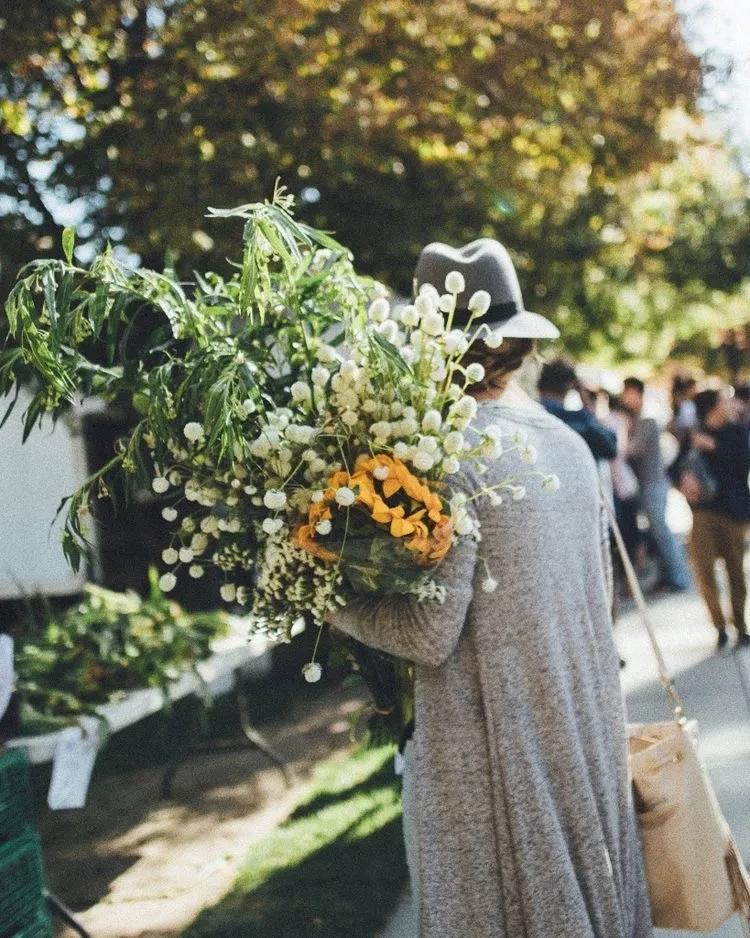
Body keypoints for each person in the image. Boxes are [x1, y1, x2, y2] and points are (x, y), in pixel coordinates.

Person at [331, 240, 650, 937]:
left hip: (493, 749)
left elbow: (428, 634)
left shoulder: (447, 455)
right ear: (518, 344)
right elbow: (601, 601)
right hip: (579, 727)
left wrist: (332, 598)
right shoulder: (565, 444)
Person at [685, 389, 750, 649]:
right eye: (724, 400)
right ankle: (719, 626)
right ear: (713, 406)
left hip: (732, 511)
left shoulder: (736, 432)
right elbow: (676, 465)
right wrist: (683, 479)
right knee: (704, 571)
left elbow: (742, 463)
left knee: (736, 571)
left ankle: (741, 626)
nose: (729, 404)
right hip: (702, 511)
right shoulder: (694, 434)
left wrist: (713, 446)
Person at [620, 377, 692, 592]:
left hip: (653, 483)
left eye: (628, 392)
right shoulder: (636, 419)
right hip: (645, 483)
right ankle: (668, 575)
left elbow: (634, 450)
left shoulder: (647, 420)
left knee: (661, 531)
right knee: (654, 533)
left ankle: (678, 577)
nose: (625, 397)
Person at [537, 358, 618, 461]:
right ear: (572, 385)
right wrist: (586, 401)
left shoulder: (526, 412)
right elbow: (610, 448)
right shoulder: (578, 420)